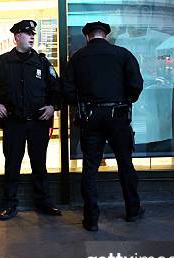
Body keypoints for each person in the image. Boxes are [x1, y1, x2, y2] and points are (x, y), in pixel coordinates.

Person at [62, 21, 145, 232]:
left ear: (87, 36)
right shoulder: (123, 54)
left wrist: (81, 104)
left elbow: (67, 89)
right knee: (125, 164)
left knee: (90, 168)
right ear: (105, 35)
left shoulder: (77, 58)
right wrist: (126, 99)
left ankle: (91, 219)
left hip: (90, 117)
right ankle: (133, 211)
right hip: (118, 115)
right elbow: (136, 84)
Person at [0, 19, 62, 221]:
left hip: (38, 123)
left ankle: (44, 203)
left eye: (33, 34)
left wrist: (53, 107)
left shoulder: (42, 62)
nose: (32, 37)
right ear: (17, 37)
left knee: (39, 164)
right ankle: (9, 205)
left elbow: (57, 89)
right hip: (13, 123)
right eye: (28, 34)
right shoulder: (2, 62)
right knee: (12, 164)